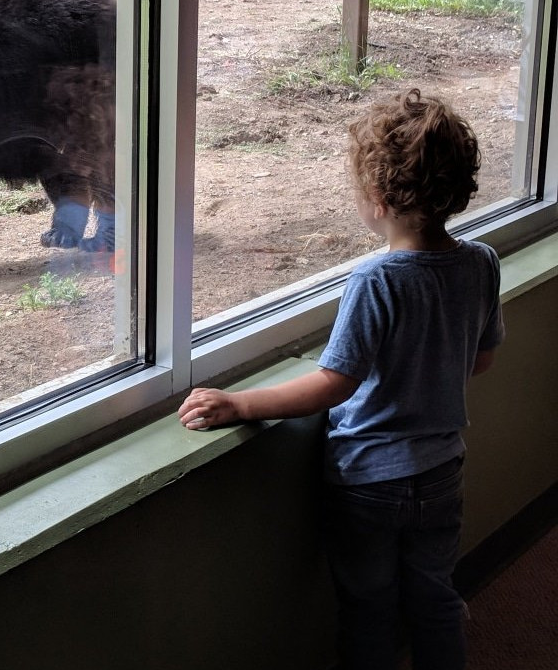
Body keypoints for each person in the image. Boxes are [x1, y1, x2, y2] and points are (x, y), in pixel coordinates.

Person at [178, 88, 505, 670]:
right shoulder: (481, 261)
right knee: (435, 597)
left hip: (368, 484)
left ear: (377, 199)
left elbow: (335, 384)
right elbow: (480, 360)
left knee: (368, 606)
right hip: (442, 472)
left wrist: (241, 404)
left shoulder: (378, 278)